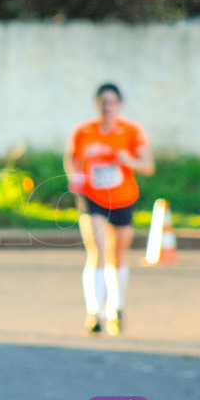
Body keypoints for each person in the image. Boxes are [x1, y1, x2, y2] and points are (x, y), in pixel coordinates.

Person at [64, 82, 154, 336]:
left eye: (112, 102)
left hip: (123, 198)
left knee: (118, 256)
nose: (107, 106)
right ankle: (95, 312)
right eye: (103, 101)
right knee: (98, 251)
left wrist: (129, 160)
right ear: (97, 104)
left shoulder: (131, 131)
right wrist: (75, 176)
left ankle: (117, 306)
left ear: (119, 105)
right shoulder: (84, 131)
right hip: (93, 198)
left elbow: (148, 166)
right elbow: (71, 156)